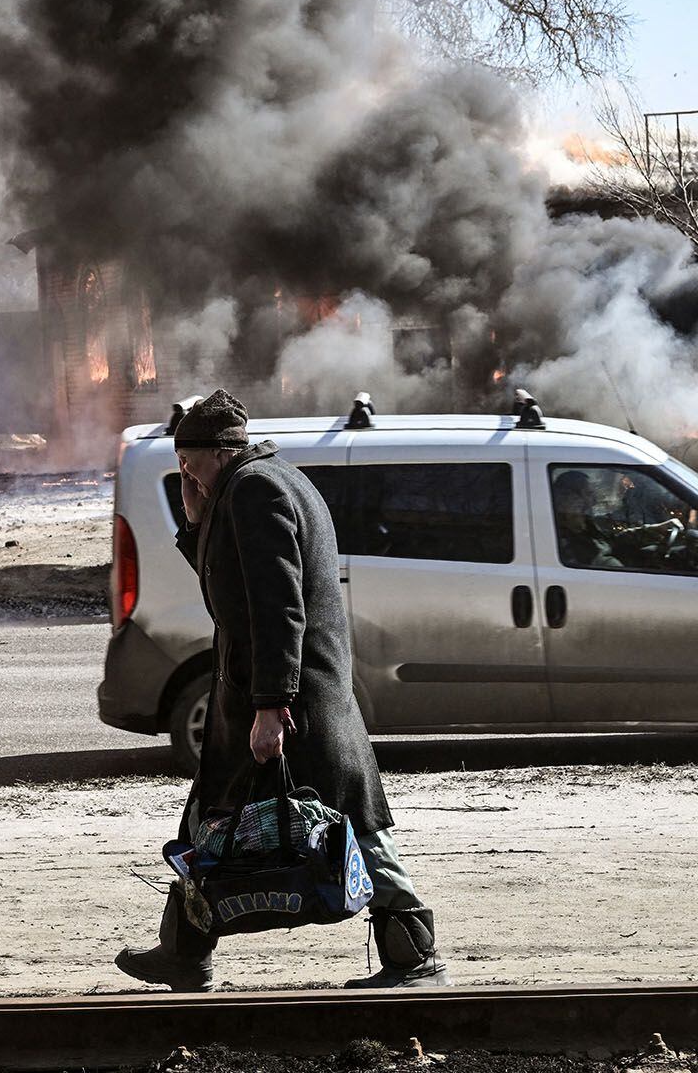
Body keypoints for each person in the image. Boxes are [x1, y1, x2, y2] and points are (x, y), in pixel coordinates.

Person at [115, 389, 450, 992]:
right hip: (269, 694)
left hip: (288, 702)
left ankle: (413, 951)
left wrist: (272, 706)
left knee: (349, 825)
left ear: (221, 450)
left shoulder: (256, 490)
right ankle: (184, 950)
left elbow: (277, 609)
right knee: (207, 821)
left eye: (189, 460)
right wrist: (195, 522)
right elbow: (235, 579)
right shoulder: (263, 481)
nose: (183, 470)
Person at [552, 469, 685, 570]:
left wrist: (655, 528)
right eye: (587, 494)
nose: (593, 501)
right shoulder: (562, 539)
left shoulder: (587, 524)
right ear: (570, 500)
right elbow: (598, 563)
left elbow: (615, 539)